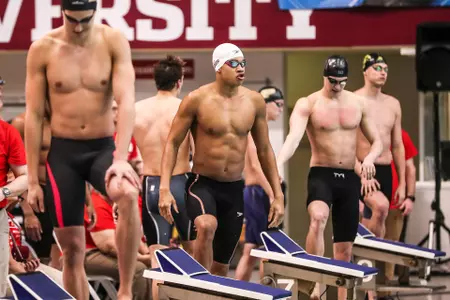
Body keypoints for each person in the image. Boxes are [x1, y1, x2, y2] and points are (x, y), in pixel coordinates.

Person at [24, 1, 141, 299]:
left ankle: (126, 292)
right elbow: (34, 115)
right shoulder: (43, 49)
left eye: (85, 20)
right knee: (72, 250)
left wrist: (121, 157)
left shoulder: (113, 41)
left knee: (127, 192)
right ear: (61, 12)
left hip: (102, 148)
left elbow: (127, 101)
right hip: (63, 155)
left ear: (96, 12)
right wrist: (34, 183)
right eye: (71, 20)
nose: (77, 27)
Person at [159, 43, 284, 276]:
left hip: (234, 189)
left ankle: (211, 288)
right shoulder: (197, 99)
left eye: (243, 63)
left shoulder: (254, 102)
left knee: (222, 266)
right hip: (203, 184)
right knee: (206, 226)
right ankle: (197, 286)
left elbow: (265, 149)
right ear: (218, 67)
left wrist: (277, 194)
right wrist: (164, 187)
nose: (241, 68)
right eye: (234, 63)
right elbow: (173, 142)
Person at [276, 55, 383, 300]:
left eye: (342, 82)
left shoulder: (358, 103)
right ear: (325, 77)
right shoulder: (309, 103)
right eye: (333, 81)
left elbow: (377, 142)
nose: (337, 86)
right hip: (321, 174)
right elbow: (293, 138)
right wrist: (279, 163)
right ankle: (316, 282)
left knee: (344, 249)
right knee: (318, 217)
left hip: (348, 178)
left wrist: (368, 159)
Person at [133, 55, 194, 252]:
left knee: (156, 256)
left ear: (156, 81)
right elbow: (196, 150)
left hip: (151, 184)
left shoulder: (136, 110)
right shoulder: (185, 108)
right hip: (181, 183)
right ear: (179, 82)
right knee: (193, 252)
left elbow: (126, 155)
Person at [235, 85, 285, 281]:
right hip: (258, 193)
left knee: (259, 248)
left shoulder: (258, 128)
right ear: (265, 104)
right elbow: (256, 168)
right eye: (278, 105)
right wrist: (274, 194)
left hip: (259, 192)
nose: (281, 109)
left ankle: (246, 292)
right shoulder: (253, 129)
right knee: (261, 250)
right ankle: (254, 292)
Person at [355, 53, 405, 240]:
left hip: (384, 170)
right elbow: (346, 146)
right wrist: (362, 174)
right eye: (377, 68)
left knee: (377, 217)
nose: (383, 72)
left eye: (385, 69)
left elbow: (398, 146)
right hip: (361, 168)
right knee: (381, 207)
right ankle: (365, 257)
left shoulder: (393, 104)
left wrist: (403, 183)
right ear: (365, 72)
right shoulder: (354, 100)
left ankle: (365, 261)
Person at [11, 108, 62, 269]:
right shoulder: (22, 123)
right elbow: (16, 169)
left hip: (59, 189)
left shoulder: (62, 122)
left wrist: (87, 201)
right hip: (35, 190)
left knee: (63, 248)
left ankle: (58, 288)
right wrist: (27, 211)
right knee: (40, 253)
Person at [84, 189, 152, 300]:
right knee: (138, 269)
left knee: (153, 268)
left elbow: (131, 235)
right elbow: (109, 245)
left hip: (109, 250)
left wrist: (148, 254)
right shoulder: (97, 203)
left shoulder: (119, 203)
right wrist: (142, 258)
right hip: (88, 253)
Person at [384, 129, 417, 282]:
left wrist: (410, 197)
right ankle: (367, 291)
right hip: (369, 199)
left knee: (391, 244)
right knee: (364, 245)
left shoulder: (401, 135)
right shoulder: (363, 133)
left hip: (395, 200)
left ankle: (385, 291)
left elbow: (410, 167)